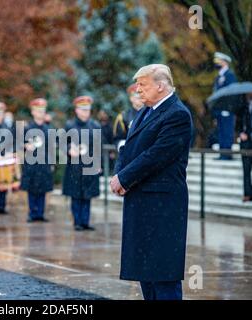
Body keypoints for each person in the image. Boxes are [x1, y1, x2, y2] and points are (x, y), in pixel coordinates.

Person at [110, 64, 193, 300]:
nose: (138, 90)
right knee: (146, 272)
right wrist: (119, 174)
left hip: (162, 205)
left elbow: (156, 155)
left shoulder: (177, 114)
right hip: (142, 200)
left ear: (160, 85)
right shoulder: (145, 111)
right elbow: (127, 148)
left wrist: (124, 178)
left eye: (142, 84)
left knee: (163, 275)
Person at [62, 96, 101, 231]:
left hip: (89, 165)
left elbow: (97, 146)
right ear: (76, 110)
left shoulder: (95, 125)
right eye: (82, 109)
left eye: (87, 110)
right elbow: (62, 143)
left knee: (87, 195)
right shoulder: (70, 125)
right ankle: (77, 221)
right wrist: (69, 149)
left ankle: (85, 221)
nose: (85, 112)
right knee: (76, 195)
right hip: (75, 166)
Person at [21, 98, 54, 223]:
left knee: (42, 188)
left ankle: (40, 213)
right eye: (38, 110)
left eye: (42, 110)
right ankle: (32, 213)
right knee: (32, 188)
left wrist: (51, 162)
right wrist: (25, 146)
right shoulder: (27, 127)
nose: (40, 113)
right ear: (33, 112)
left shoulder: (48, 128)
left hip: (44, 162)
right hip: (31, 162)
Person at [212, 51, 237, 160]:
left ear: (225, 62)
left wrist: (229, 108)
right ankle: (223, 153)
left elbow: (232, 93)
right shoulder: (219, 77)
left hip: (227, 109)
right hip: (219, 109)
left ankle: (227, 154)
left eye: (219, 61)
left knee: (227, 131)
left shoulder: (230, 75)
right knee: (221, 132)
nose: (217, 63)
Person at [113, 83, 143, 151]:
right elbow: (118, 139)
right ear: (131, 98)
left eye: (140, 94)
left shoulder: (152, 113)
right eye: (136, 96)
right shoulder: (123, 117)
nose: (139, 98)